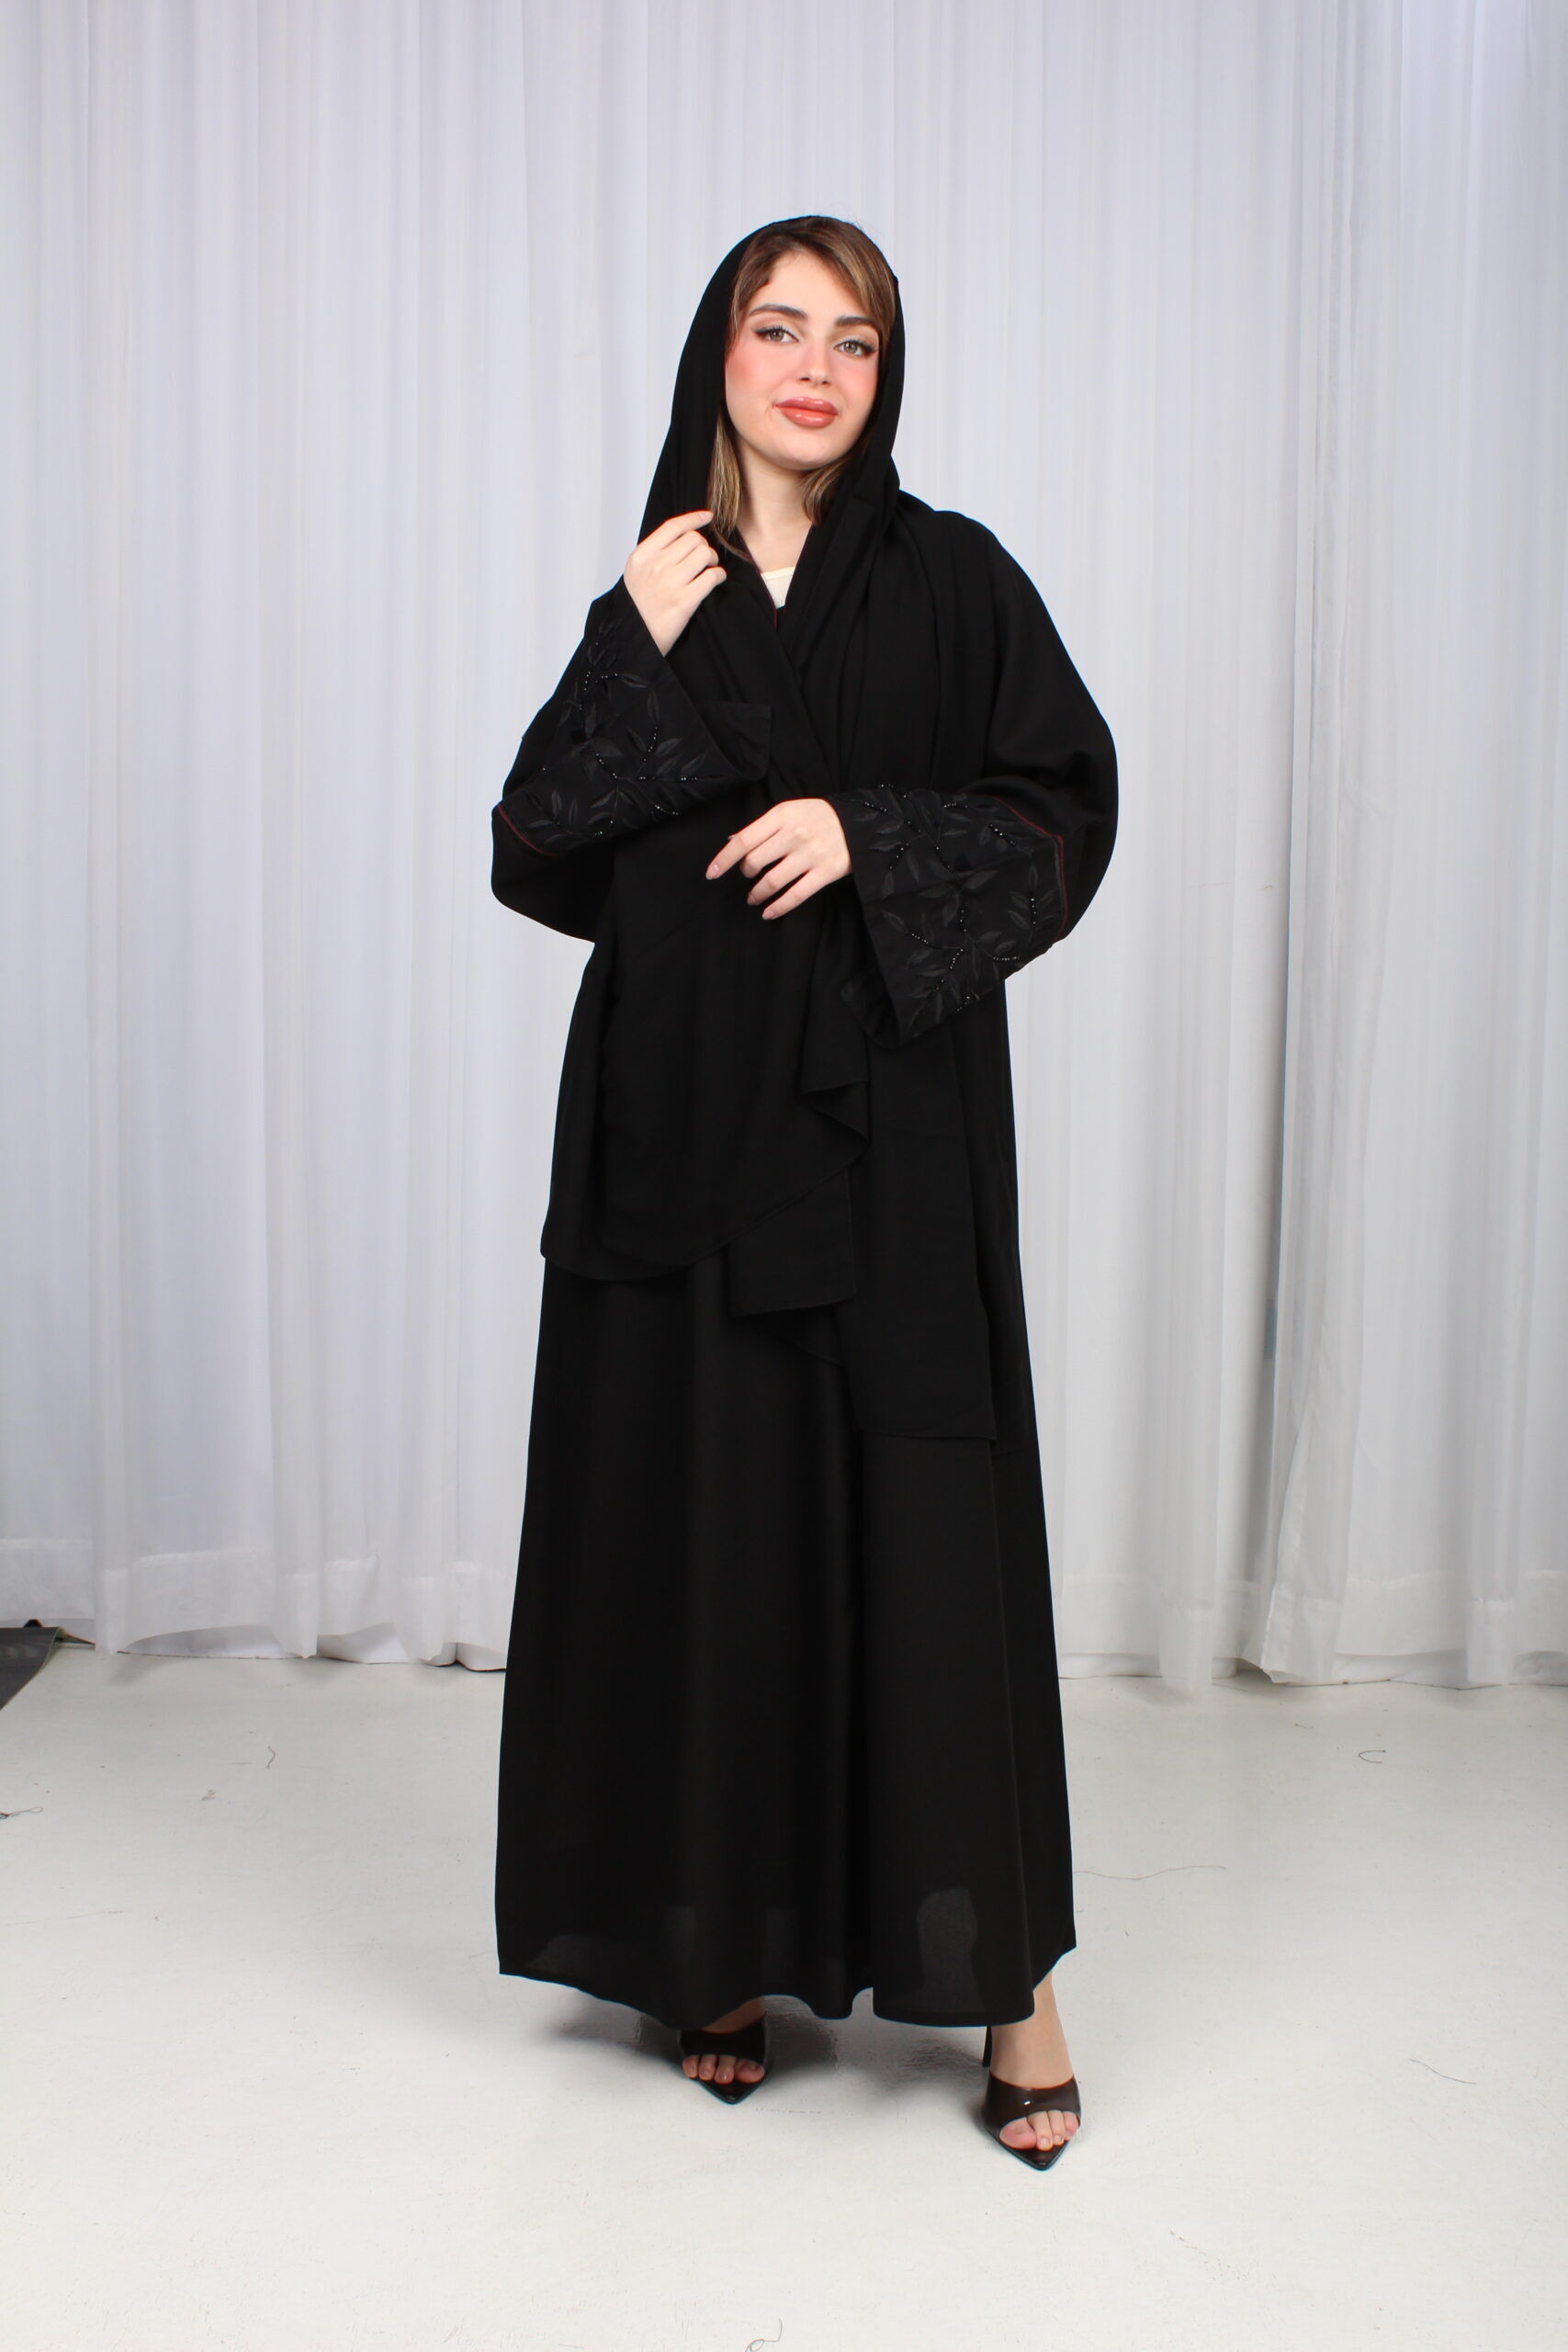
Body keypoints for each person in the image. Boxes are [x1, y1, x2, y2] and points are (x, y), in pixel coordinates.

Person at [490, 216, 1117, 2170]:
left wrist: (865, 831)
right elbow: (534, 844)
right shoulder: (658, 582)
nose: (816, 368)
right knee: (708, 1521)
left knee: (924, 1525)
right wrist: (634, 639)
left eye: (854, 339)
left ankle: (1008, 1982)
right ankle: (714, 1943)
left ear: (883, 374)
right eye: (781, 329)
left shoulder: (954, 577)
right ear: (723, 355)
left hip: (886, 1123)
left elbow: (1062, 808)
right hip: (681, 1126)